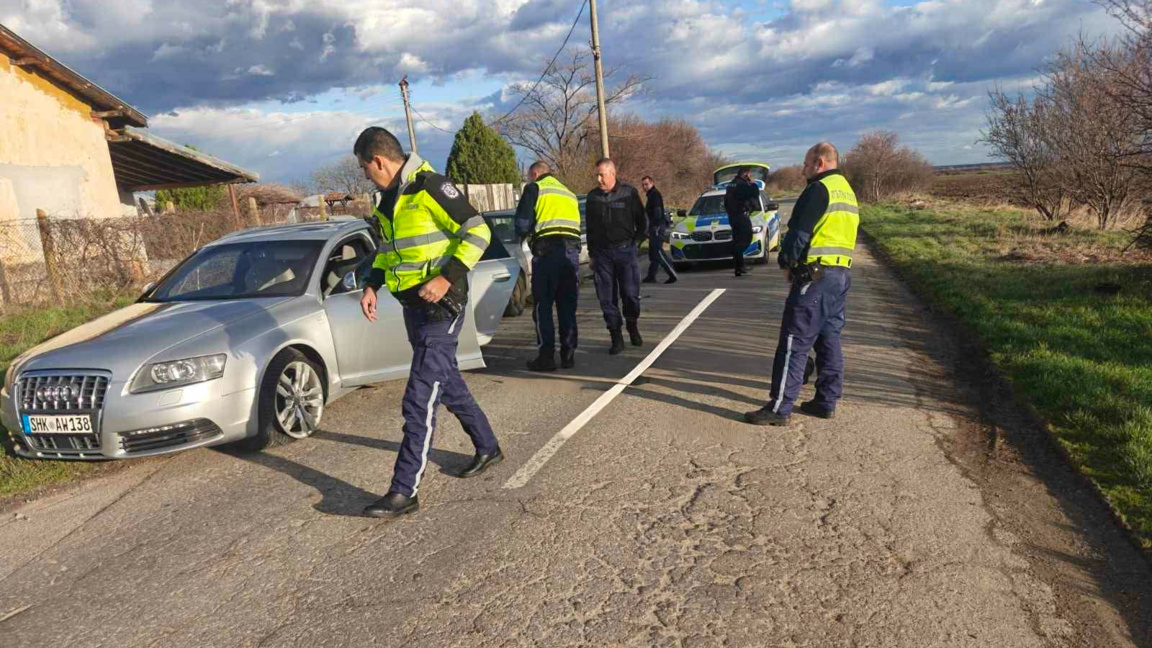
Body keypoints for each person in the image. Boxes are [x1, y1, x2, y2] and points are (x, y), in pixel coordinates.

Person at [354, 126, 503, 518]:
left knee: (420, 396)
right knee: (447, 382)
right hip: (413, 308)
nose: (366, 175)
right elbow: (388, 251)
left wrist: (445, 278)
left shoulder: (431, 187)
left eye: (365, 168)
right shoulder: (389, 201)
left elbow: (478, 230)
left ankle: (404, 490)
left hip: (442, 307)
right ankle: (488, 447)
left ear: (378, 161)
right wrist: (371, 285)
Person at [746, 142, 858, 426]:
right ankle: (826, 401)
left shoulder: (819, 189)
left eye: (806, 164)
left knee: (794, 342)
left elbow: (799, 232)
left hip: (815, 277)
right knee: (829, 340)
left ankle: (779, 408)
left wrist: (786, 263)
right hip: (840, 276)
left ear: (820, 163)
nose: (803, 169)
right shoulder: (846, 189)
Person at [515, 161, 582, 372]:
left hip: (547, 254)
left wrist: (524, 238)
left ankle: (546, 357)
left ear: (535, 173)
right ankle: (568, 355)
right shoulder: (569, 194)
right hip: (571, 255)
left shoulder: (535, 188)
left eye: (529, 176)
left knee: (543, 307)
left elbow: (522, 224)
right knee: (567, 307)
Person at [585, 158, 647, 355]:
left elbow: (642, 222)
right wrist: (592, 254)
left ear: (612, 173)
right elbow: (590, 229)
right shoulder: (592, 197)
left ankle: (632, 324)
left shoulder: (628, 193)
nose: (598, 179)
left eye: (601, 175)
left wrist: (635, 244)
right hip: (602, 254)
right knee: (606, 298)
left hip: (625, 252)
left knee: (630, 294)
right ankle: (616, 336)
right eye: (596, 175)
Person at [641, 176, 678, 285]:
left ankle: (672, 273)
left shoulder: (655, 195)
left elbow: (657, 212)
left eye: (646, 184)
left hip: (656, 227)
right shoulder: (651, 195)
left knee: (657, 252)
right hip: (654, 227)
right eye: (643, 185)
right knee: (653, 253)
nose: (644, 187)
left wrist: (654, 226)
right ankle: (651, 276)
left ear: (652, 183)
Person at [724, 167, 760, 277]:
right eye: (749, 174)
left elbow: (726, 201)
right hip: (741, 215)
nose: (750, 176)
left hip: (732, 216)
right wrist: (752, 183)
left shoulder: (731, 184)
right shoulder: (742, 185)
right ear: (745, 174)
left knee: (737, 240)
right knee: (745, 239)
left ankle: (739, 266)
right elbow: (755, 193)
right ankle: (739, 265)